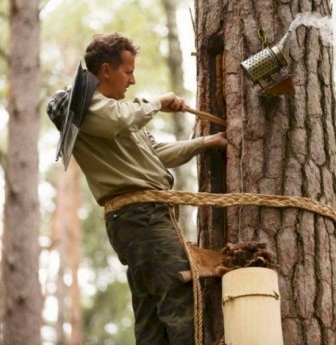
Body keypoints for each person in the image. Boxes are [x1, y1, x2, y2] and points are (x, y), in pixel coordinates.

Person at [47, 33, 227, 345]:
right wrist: (157, 102)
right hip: (140, 218)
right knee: (181, 296)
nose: (132, 80)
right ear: (106, 70)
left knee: (152, 316)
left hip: (144, 219)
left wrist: (207, 142)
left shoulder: (117, 114)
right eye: (128, 71)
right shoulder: (86, 107)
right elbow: (120, 119)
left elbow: (157, 153)